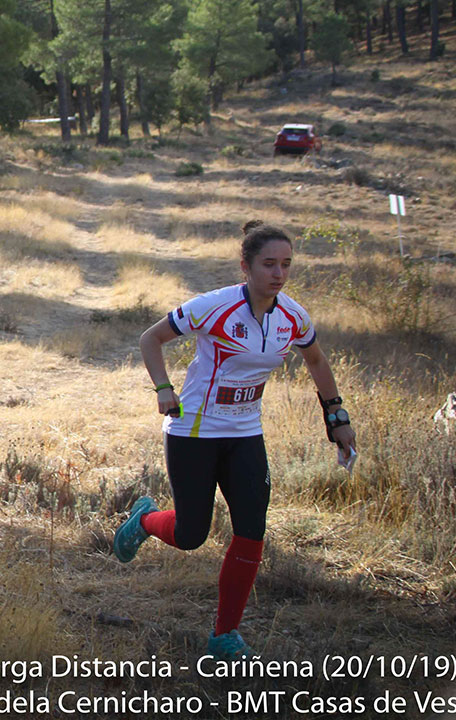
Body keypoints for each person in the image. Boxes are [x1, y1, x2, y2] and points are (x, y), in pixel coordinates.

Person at [115, 220, 357, 661]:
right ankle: (147, 519)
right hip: (195, 430)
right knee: (191, 535)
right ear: (245, 266)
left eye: (286, 264)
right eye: (269, 264)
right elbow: (151, 338)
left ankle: (225, 634)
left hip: (246, 432)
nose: (279, 274)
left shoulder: (292, 316)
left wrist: (336, 415)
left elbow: (317, 360)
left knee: (251, 530)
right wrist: (163, 388)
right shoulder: (215, 307)